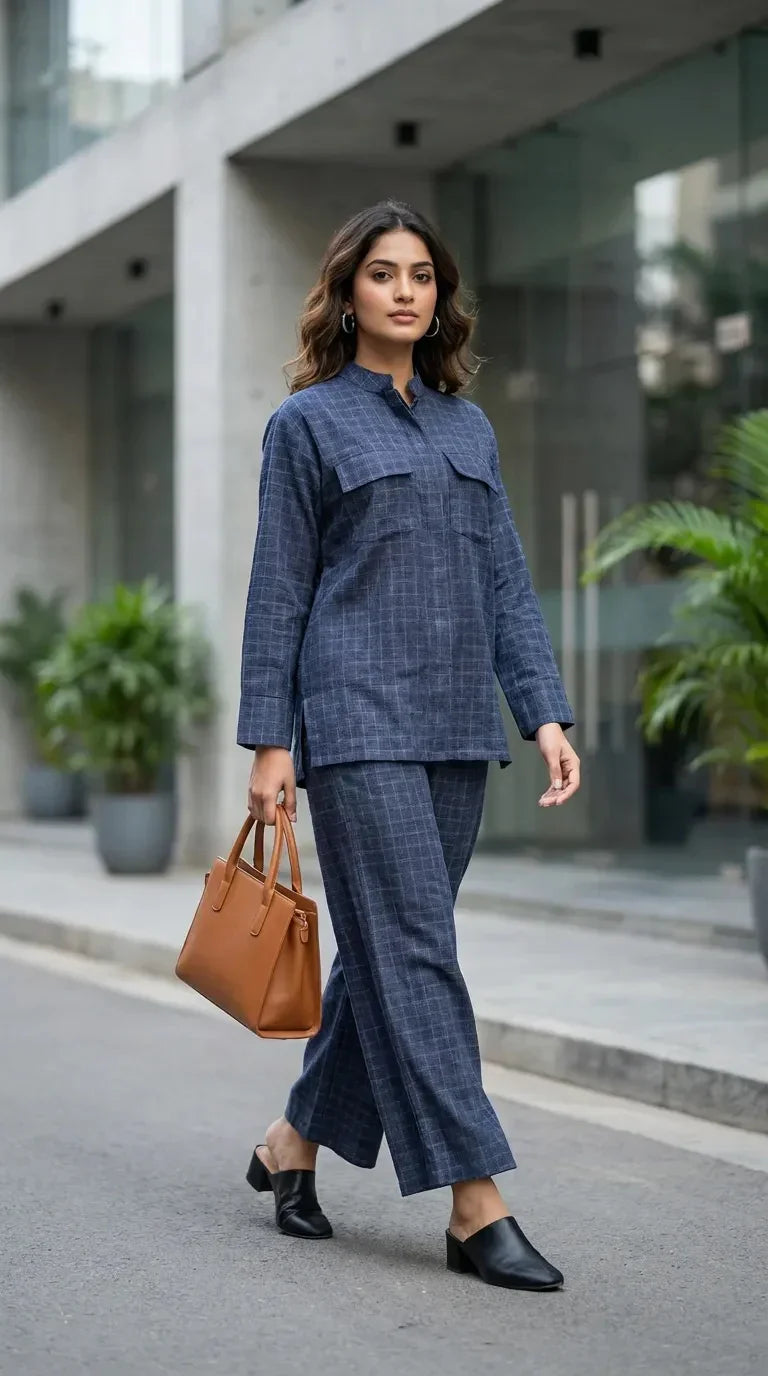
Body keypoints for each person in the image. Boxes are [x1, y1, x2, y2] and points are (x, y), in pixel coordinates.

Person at [237, 200, 580, 1292]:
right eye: (381, 273)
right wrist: (268, 742)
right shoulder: (306, 427)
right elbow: (278, 591)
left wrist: (544, 709)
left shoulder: (466, 429)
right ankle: (476, 1200)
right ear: (348, 294)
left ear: (440, 298)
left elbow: (506, 585)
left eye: (421, 275)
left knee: (389, 952)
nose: (403, 290)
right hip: (353, 723)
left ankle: (293, 1143)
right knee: (419, 955)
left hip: (453, 726)